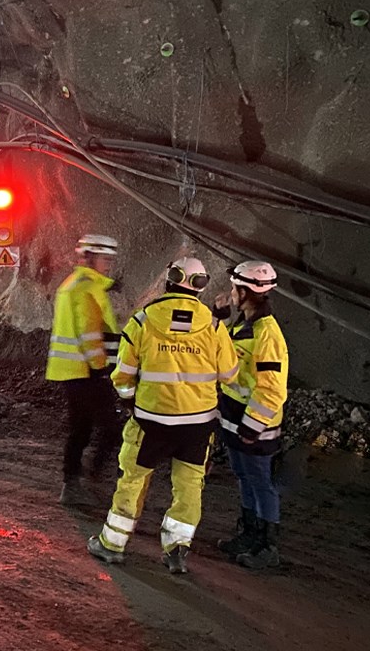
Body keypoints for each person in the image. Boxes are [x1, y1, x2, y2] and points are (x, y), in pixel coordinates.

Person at [87, 257, 239, 574]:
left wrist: (130, 403)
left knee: (132, 481)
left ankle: (113, 544)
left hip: (151, 421)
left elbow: (122, 376)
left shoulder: (143, 322)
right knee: (188, 488)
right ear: (200, 286)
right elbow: (229, 374)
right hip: (196, 426)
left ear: (168, 280)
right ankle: (176, 552)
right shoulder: (213, 326)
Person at [213, 261, 289, 570]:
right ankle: (248, 533)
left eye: (234, 289)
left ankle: (267, 545)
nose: (230, 293)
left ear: (246, 293)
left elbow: (272, 389)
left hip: (254, 426)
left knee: (260, 481)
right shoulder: (244, 324)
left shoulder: (267, 334)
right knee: (244, 476)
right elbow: (223, 355)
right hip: (235, 418)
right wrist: (218, 319)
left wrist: (252, 425)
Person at [46, 234, 123, 506]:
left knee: (81, 427)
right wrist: (102, 368)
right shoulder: (87, 288)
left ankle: (73, 482)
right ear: (89, 257)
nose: (109, 265)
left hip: (72, 371)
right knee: (111, 429)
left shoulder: (74, 284)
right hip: (86, 371)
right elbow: (89, 335)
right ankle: (88, 479)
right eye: (105, 259)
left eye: (110, 260)